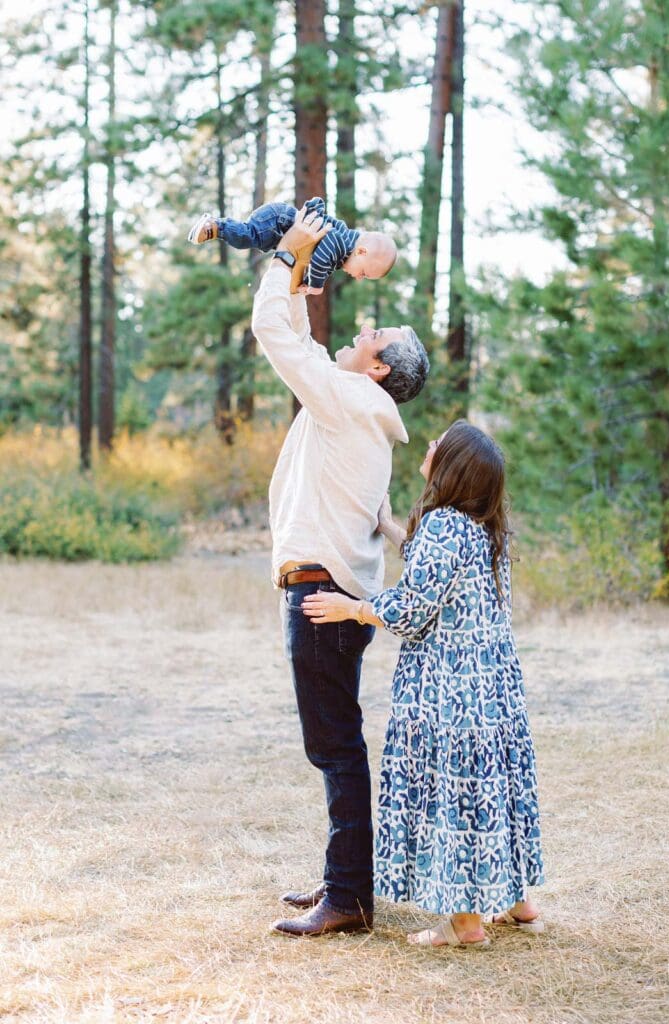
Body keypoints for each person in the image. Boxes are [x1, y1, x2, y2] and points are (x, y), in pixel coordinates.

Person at [249, 205, 429, 939]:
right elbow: (298, 338)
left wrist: (285, 257)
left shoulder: (349, 399)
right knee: (337, 741)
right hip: (330, 589)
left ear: (379, 369)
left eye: (373, 337)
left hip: (322, 594)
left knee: (335, 744)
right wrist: (298, 275)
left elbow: (273, 336)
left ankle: (350, 896)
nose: (361, 332)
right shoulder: (354, 405)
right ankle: (342, 882)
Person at [301, 420, 545, 948]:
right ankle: (519, 903)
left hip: (449, 690)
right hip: (492, 690)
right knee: (493, 788)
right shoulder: (483, 529)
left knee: (451, 792)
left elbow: (413, 607)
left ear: (451, 469)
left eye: (440, 444)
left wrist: (352, 608)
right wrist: (389, 527)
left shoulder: (442, 528)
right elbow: (437, 568)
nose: (430, 445)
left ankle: (465, 927)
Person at [188, 195, 397, 295]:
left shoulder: (342, 252)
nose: (359, 278)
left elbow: (313, 260)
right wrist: (315, 286)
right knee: (247, 236)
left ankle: (218, 227)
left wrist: (303, 281)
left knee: (251, 239)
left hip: (279, 228)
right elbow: (321, 257)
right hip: (278, 221)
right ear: (361, 251)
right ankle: (216, 226)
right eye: (364, 273)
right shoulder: (341, 242)